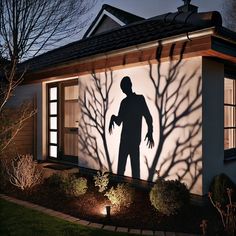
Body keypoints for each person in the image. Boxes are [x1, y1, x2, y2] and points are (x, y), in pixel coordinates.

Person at [109, 76, 154, 179]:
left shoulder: (137, 100)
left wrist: (150, 132)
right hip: (130, 139)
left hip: (129, 139)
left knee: (128, 169)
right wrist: (113, 118)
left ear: (129, 86)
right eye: (122, 88)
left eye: (123, 87)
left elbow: (148, 117)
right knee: (128, 169)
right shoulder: (128, 101)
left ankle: (126, 189)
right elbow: (120, 121)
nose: (123, 90)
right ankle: (123, 190)